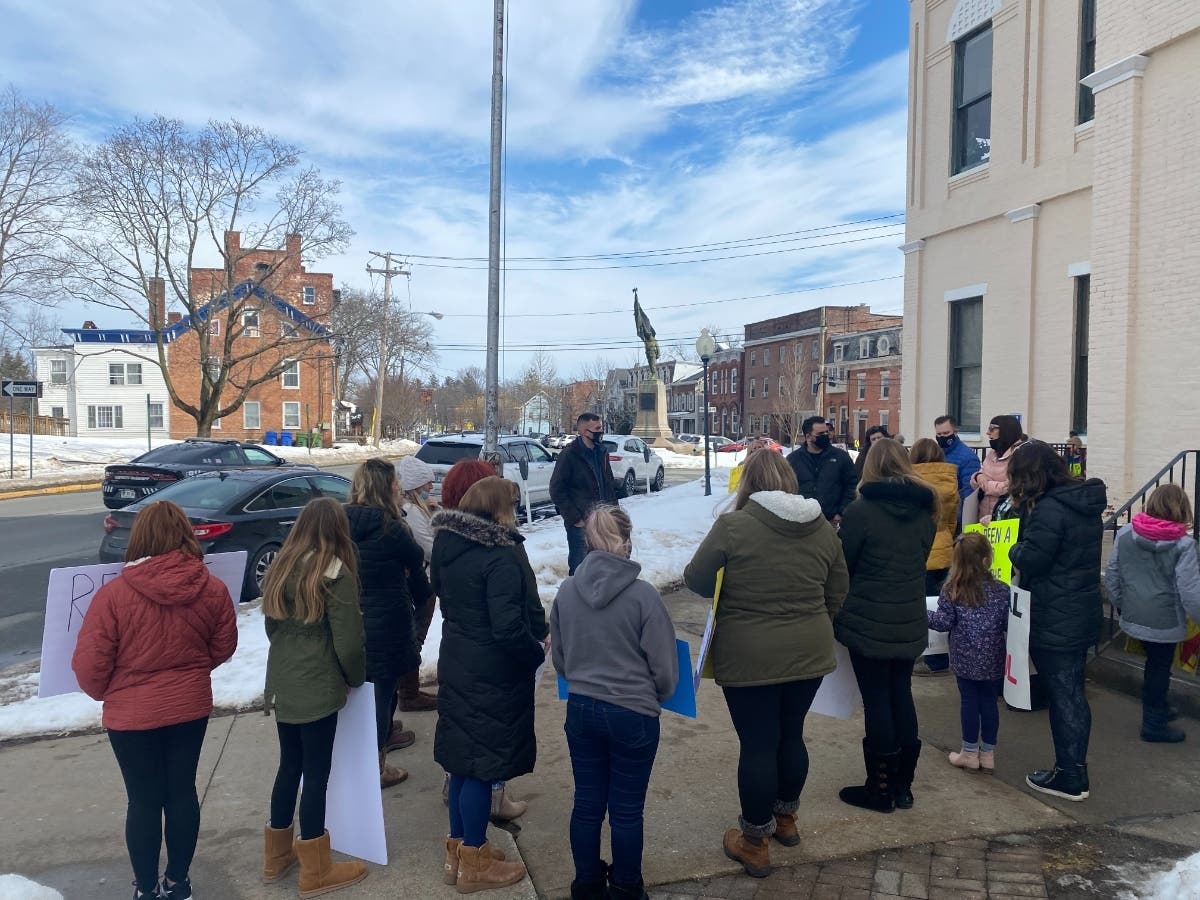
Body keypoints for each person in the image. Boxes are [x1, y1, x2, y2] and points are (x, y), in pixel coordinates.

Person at [686, 451, 848, 876]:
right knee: (791, 734)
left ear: (749, 485)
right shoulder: (823, 530)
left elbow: (697, 579)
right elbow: (839, 588)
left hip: (749, 653)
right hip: (810, 650)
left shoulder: (734, 526)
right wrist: (817, 621)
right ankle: (787, 819)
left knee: (758, 744)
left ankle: (755, 840)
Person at [72, 501, 238, 900]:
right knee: (182, 791)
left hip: (130, 717)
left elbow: (90, 668)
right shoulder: (211, 588)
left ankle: (145, 889)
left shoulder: (113, 596)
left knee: (143, 800)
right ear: (184, 534)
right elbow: (224, 645)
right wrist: (191, 672)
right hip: (189, 706)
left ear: (140, 537)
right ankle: (178, 882)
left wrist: (112, 693)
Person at [552, 505, 679, 900]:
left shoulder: (566, 590)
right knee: (626, 809)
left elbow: (559, 659)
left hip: (582, 707)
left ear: (587, 541)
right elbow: (665, 670)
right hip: (632, 712)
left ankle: (587, 883)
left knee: (587, 802)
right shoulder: (643, 596)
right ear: (627, 539)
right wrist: (651, 695)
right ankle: (626, 886)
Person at [431, 476, 544, 891]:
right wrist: (535, 653)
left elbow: (441, 596)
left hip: (458, 659)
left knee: (461, 762)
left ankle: (459, 851)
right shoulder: (501, 555)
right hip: (491, 672)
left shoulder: (448, 546)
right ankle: (475, 861)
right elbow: (509, 628)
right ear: (499, 508)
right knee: (480, 767)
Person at [262, 497, 368, 897]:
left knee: (289, 765)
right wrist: (354, 678)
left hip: (284, 676)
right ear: (337, 529)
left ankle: (276, 856)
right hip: (318, 679)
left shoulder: (281, 565)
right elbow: (349, 643)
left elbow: (273, 626)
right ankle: (316, 869)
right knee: (317, 773)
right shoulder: (334, 572)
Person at [834, 439, 937, 813]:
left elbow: (844, 565)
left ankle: (879, 788)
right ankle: (903, 786)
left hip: (868, 620)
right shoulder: (928, 509)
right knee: (900, 693)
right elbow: (921, 559)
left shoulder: (861, 511)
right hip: (908, 618)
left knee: (877, 699)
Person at [1007, 441, 1107, 801]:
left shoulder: (1049, 509)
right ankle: (1072, 768)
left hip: (1055, 612)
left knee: (1064, 694)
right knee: (1072, 692)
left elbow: (1033, 558)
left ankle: (1070, 774)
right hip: (1079, 608)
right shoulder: (1082, 504)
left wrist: (1013, 547)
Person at [344, 457, 433, 788]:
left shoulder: (339, 520)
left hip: (349, 618)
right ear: (387, 488)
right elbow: (419, 577)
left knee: (356, 694)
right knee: (384, 694)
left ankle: (356, 756)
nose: (399, 488)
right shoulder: (393, 528)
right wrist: (423, 592)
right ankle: (377, 765)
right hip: (388, 623)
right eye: (396, 484)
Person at [1105, 484, 1200, 743]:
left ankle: (1159, 707)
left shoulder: (1125, 533)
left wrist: (1122, 604)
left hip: (1135, 614)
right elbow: (1190, 591)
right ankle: (1154, 723)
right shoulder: (1184, 545)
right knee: (1159, 670)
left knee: (1154, 668)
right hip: (1166, 620)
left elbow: (1113, 575)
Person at [927, 533, 1010, 773]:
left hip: (965, 656)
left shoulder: (952, 589)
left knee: (969, 701)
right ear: (987, 559)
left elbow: (943, 622)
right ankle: (988, 753)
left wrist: (923, 613)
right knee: (990, 702)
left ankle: (969, 752)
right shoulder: (1002, 590)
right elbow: (1006, 623)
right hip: (994, 656)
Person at [909, 438, 962, 678]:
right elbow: (952, 520)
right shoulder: (950, 480)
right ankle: (941, 656)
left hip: (921, 550)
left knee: (921, 605)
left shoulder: (911, 482)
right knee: (942, 605)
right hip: (944, 548)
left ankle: (927, 656)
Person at [550, 412, 620, 575]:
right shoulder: (569, 455)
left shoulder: (602, 452)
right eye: (597, 429)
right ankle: (576, 599)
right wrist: (575, 518)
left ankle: (600, 599)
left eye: (601, 428)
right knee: (580, 568)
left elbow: (608, 484)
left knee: (604, 566)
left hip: (604, 520)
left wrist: (615, 513)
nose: (600, 432)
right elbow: (556, 489)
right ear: (583, 431)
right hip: (581, 522)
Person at [397, 454, 440, 713]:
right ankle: (409, 693)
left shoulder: (418, 509)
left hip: (421, 579)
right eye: (425, 485)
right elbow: (430, 547)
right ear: (415, 486)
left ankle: (408, 690)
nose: (429, 489)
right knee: (416, 636)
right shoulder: (412, 512)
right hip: (420, 581)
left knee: (415, 636)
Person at [785, 416, 858, 523]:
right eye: (820, 434)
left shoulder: (841, 457)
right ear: (808, 437)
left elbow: (852, 486)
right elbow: (786, 488)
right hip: (802, 522)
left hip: (832, 520)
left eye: (826, 433)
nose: (825, 436)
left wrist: (841, 512)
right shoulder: (793, 459)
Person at [971, 415, 1025, 525]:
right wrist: (977, 477)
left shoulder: (1019, 456)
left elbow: (1011, 487)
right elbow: (976, 479)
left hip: (1005, 519)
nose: (987, 433)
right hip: (983, 518)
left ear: (1006, 431)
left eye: (992, 428)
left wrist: (985, 485)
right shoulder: (991, 454)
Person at [933, 415, 982, 504]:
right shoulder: (934, 453)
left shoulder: (968, 458)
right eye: (939, 434)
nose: (942, 437)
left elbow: (969, 492)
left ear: (955, 432)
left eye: (946, 433)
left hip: (955, 510)